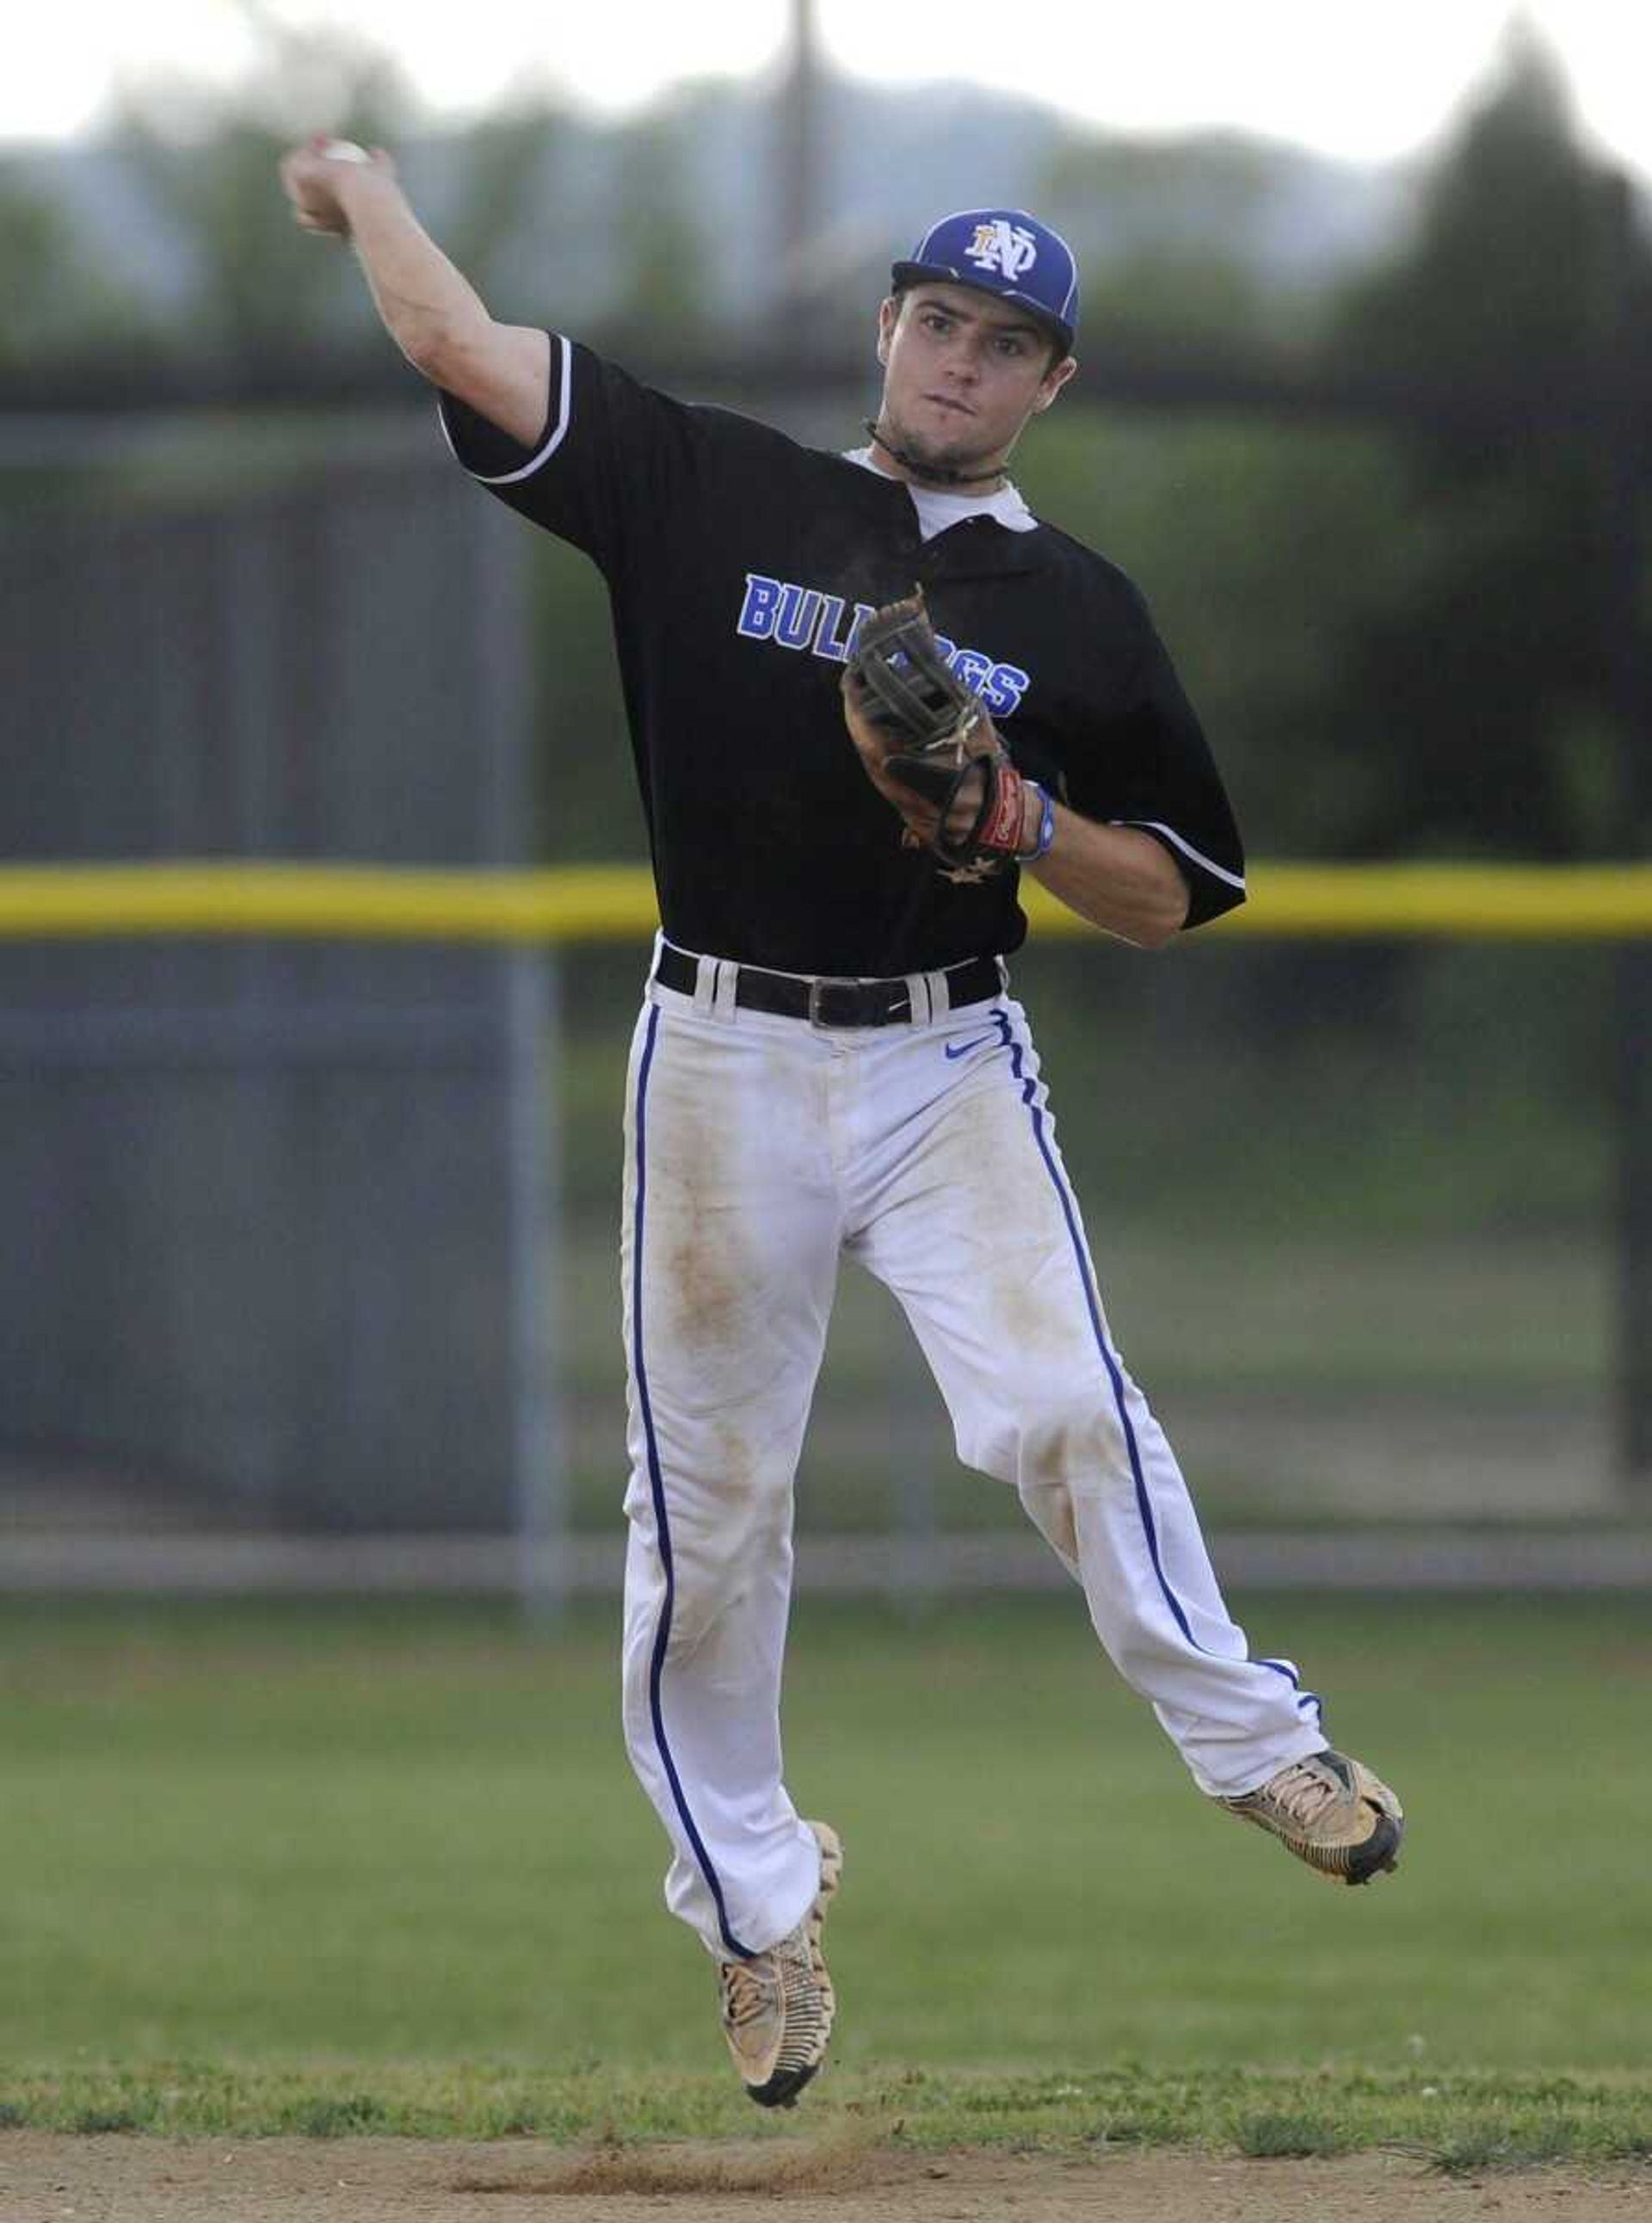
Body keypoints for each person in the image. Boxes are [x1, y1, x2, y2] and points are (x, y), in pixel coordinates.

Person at [278, 146, 1405, 2110]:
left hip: (942, 1056)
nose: (965, 364)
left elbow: (1177, 890)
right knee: (705, 1529)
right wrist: (361, 185)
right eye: (942, 322)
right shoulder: (712, 485)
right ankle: (756, 1902)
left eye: (1010, 344)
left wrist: (1021, 819)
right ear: (887, 329)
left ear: (1054, 385)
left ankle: (1258, 1743)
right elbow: (457, 343)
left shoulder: (1079, 612)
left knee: (1063, 1404)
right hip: (717, 1053)